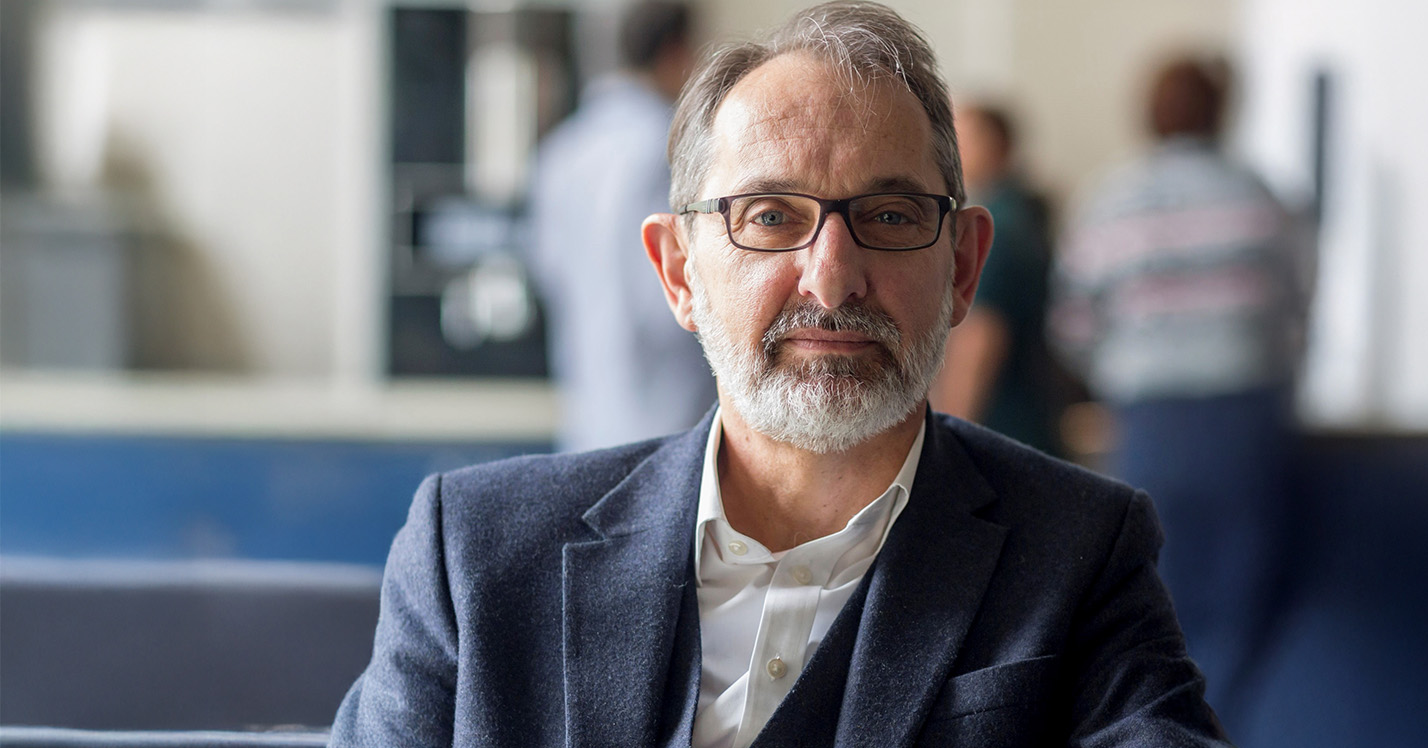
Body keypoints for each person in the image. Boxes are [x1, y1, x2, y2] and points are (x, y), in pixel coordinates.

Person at [332, 4, 1229, 746]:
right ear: (678, 272)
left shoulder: (1079, 554)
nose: (831, 279)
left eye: (889, 214)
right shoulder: (477, 557)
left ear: (961, 267)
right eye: (769, 215)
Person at [1051, 55, 1311, 730]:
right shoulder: (1260, 196)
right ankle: (1226, 728)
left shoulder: (1114, 200)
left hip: (1151, 419)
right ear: (1223, 112)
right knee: (1239, 597)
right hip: (1244, 417)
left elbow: (1072, 327)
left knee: (1146, 591)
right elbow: (1295, 310)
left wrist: (1122, 366)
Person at [524, 1, 716, 452]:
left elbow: (547, 272)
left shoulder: (561, 151)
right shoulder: (670, 146)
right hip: (671, 413)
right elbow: (679, 290)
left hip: (588, 416)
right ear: (677, 52)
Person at [932, 103, 1066, 456]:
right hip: (1030, 418)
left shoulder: (998, 228)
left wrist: (946, 440)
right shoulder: (1026, 214)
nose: (953, 150)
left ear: (997, 145)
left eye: (965, 138)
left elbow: (980, 339)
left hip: (998, 426)